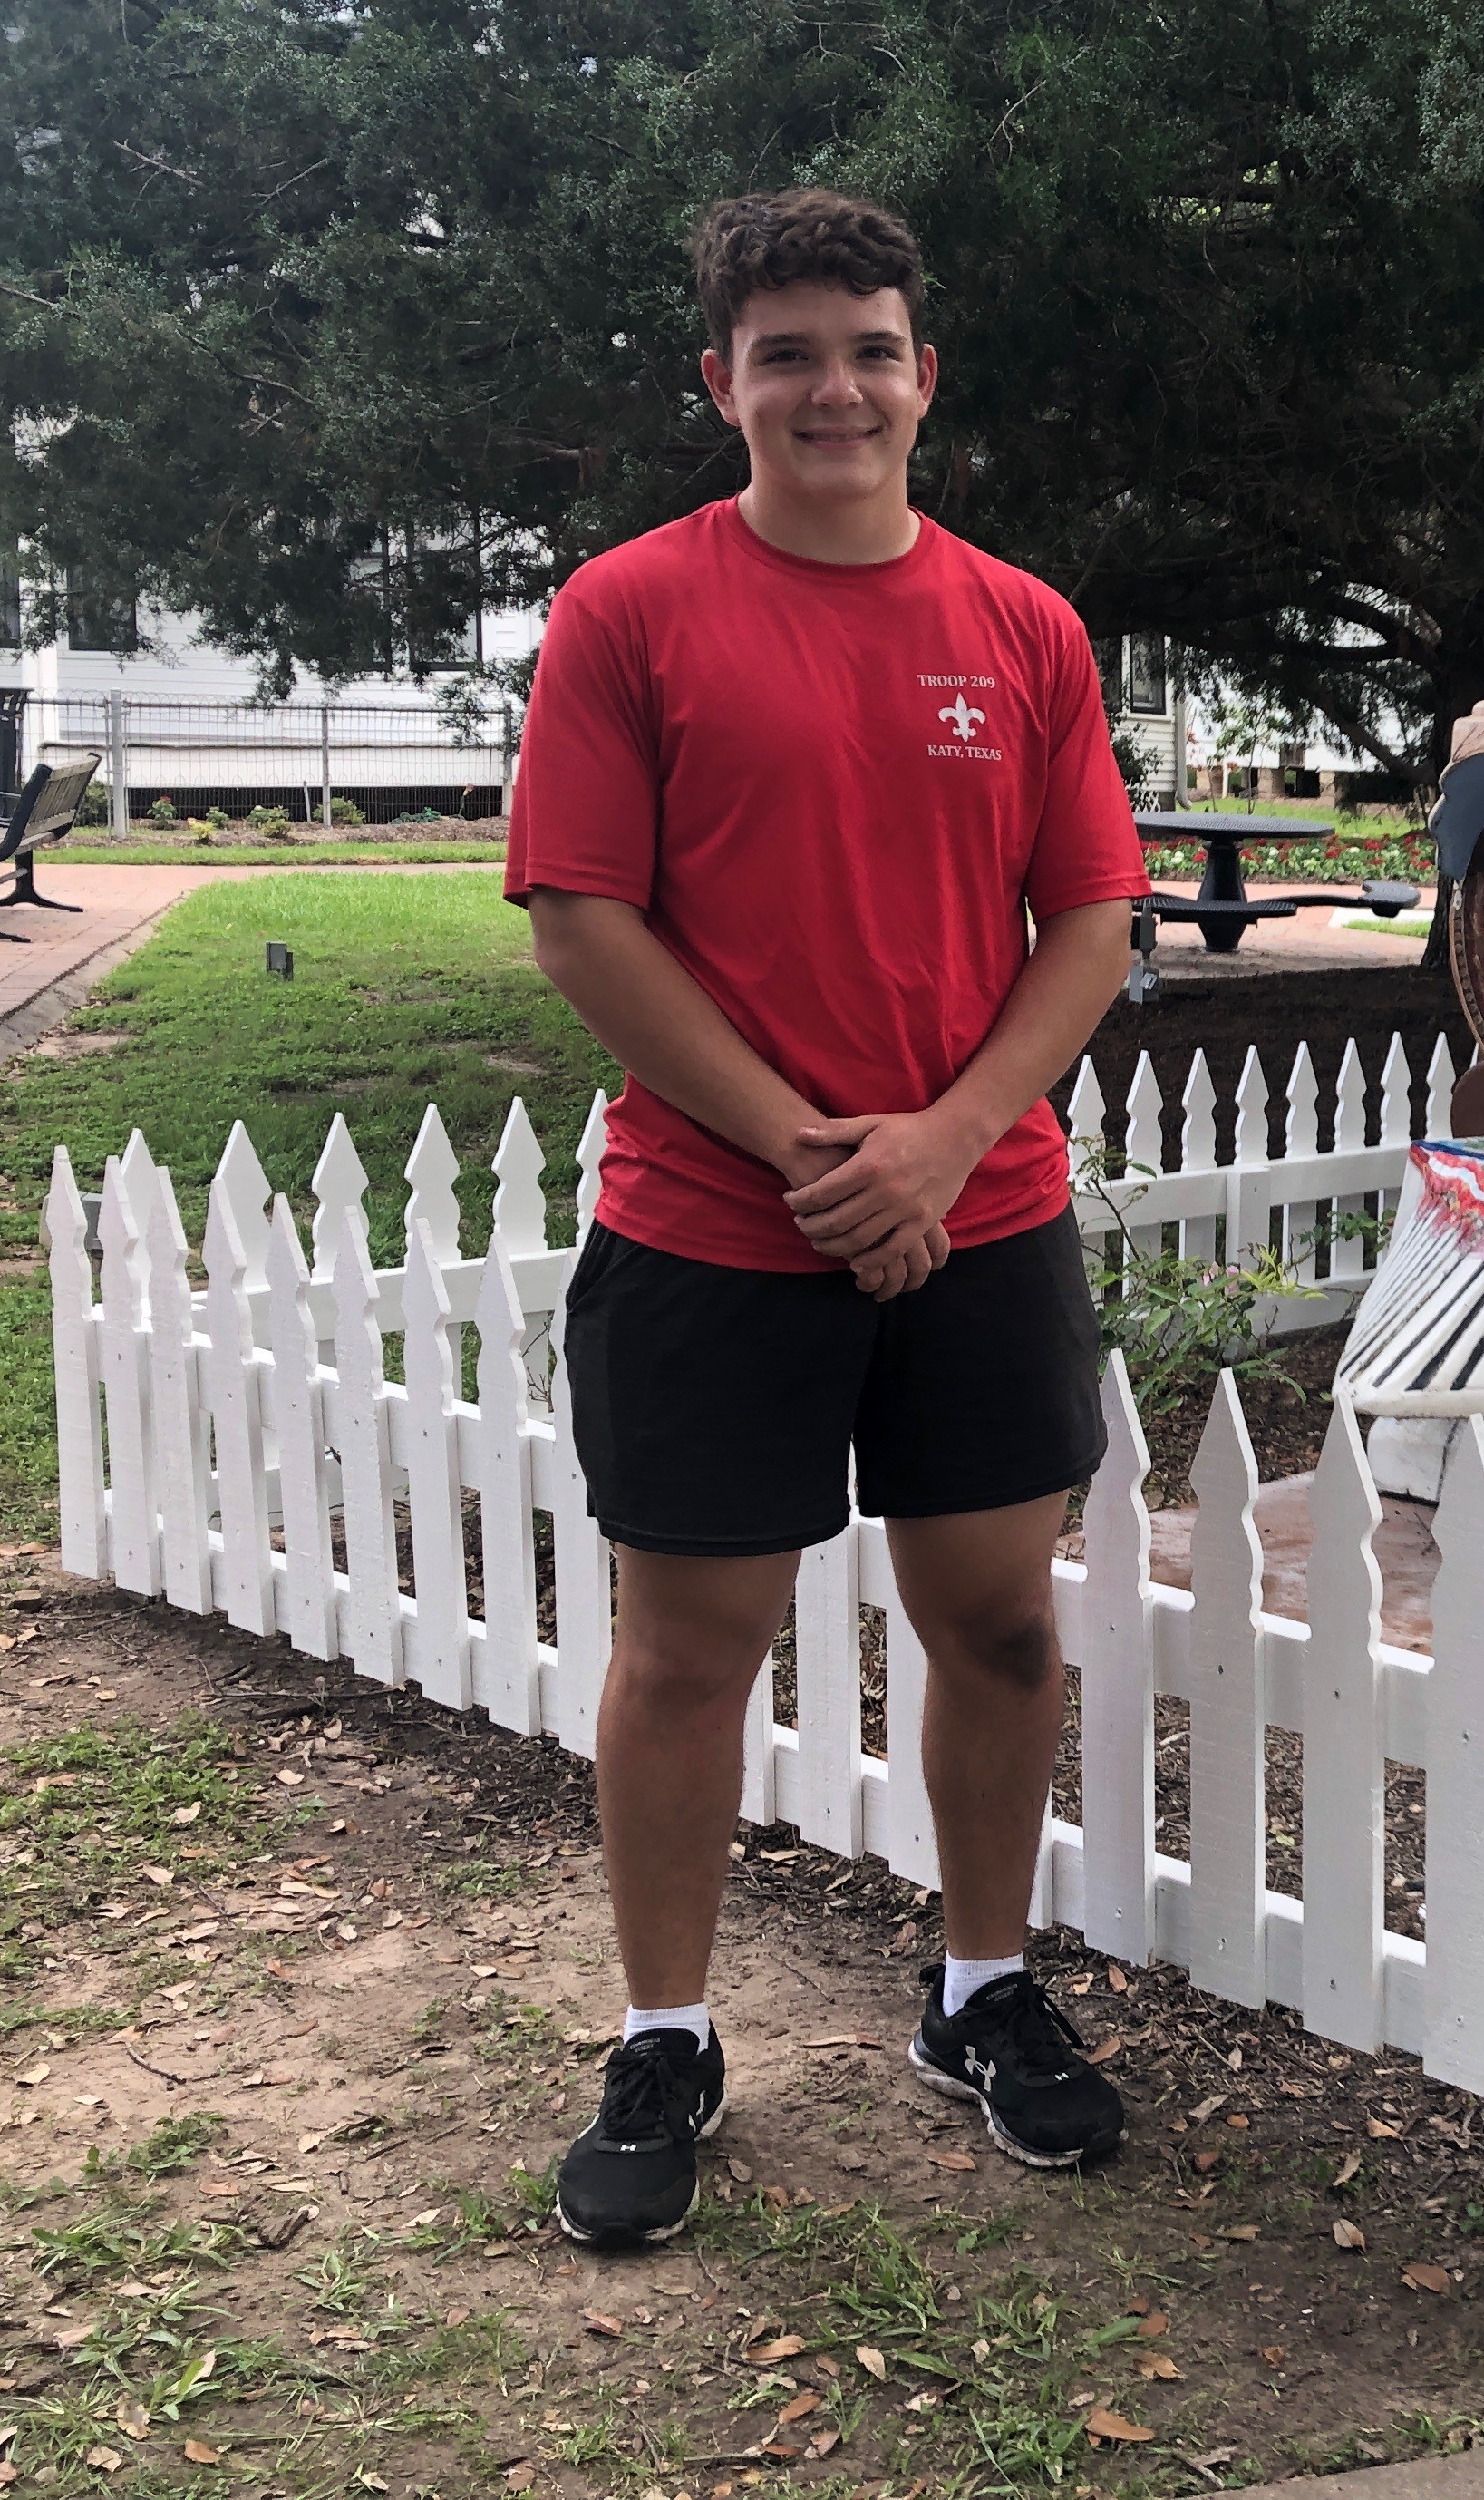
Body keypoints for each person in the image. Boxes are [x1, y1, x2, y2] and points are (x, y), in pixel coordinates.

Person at [506, 188, 1148, 2247]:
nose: (832, 386)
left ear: (923, 375)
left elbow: (1095, 918)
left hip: (982, 1217)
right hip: (712, 1220)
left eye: (868, 347)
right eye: (786, 353)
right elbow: (583, 919)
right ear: (724, 385)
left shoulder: (1022, 628)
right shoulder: (631, 613)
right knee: (688, 1661)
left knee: (1002, 1626)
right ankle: (667, 2032)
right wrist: (815, 1150)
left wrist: (946, 1145)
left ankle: (980, 1991)